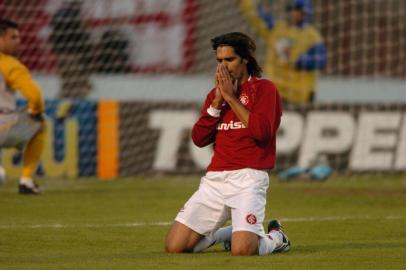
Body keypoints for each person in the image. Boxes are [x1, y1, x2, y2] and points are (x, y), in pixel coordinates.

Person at [165, 32, 290, 256]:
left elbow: (262, 133)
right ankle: (232, 233)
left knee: (243, 251)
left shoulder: (265, 89)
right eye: (219, 61)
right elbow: (199, 139)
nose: (223, 67)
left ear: (245, 59)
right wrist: (216, 103)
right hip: (215, 179)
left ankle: (276, 238)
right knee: (175, 246)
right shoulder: (215, 95)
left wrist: (231, 98)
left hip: (248, 178)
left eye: (229, 60)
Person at [240, 0, 327, 103]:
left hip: (300, 96)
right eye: (291, 9)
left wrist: (297, 59)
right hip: (276, 93)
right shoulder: (277, 29)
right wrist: (245, 3)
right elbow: (258, 17)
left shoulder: (312, 36)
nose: (293, 13)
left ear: (305, 13)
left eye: (298, 10)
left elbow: (321, 60)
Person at [0, 19, 46, 194]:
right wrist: (36, 112)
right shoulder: (10, 65)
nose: (18, 41)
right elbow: (35, 95)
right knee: (41, 124)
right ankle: (26, 181)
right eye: (13, 37)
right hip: (3, 125)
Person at [49, 0, 93, 98]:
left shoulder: (59, 14)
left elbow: (53, 36)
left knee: (68, 83)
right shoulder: (74, 16)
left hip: (64, 53)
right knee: (75, 84)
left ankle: (66, 100)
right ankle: (73, 101)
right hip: (74, 54)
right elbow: (82, 38)